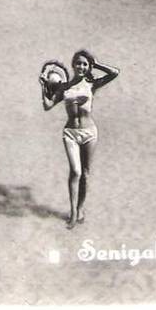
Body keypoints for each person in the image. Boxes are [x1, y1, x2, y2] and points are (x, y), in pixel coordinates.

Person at [40, 50, 119, 228]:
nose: (81, 67)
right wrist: (43, 86)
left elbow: (115, 73)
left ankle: (81, 208)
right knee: (76, 172)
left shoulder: (91, 85)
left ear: (88, 66)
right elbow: (47, 105)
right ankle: (73, 212)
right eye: (78, 63)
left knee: (86, 174)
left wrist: (96, 64)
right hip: (70, 133)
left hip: (89, 133)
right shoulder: (64, 87)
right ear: (73, 65)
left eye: (84, 64)